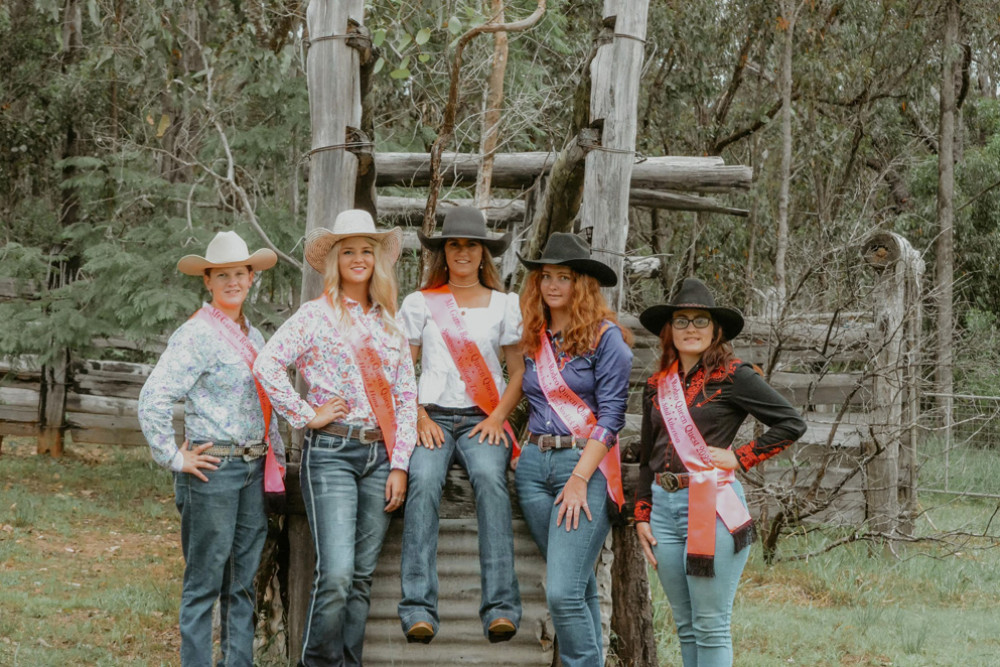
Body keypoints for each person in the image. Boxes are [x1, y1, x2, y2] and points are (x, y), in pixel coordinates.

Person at [253, 209, 416, 667]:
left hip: (380, 458)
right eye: (350, 251)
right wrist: (307, 415)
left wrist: (400, 463)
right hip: (332, 455)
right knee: (338, 574)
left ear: (377, 260)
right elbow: (266, 365)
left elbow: (406, 398)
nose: (359, 258)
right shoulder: (314, 316)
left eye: (368, 250)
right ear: (335, 260)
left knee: (362, 576)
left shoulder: (391, 323)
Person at [634, 277, 807, 667]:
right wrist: (642, 514)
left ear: (715, 330)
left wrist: (741, 457)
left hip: (711, 508)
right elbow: (648, 455)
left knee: (711, 625)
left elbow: (791, 423)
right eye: (681, 320)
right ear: (669, 329)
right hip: (663, 510)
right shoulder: (655, 386)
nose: (690, 328)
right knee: (685, 625)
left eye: (700, 320)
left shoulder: (733, 375)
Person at [138, 230, 284, 667]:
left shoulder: (255, 337)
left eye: (239, 273)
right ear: (208, 280)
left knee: (242, 584)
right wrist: (173, 455)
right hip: (214, 469)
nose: (232, 281)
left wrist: (274, 457)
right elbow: (154, 397)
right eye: (222, 274)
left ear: (251, 276)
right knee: (204, 582)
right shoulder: (196, 334)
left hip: (254, 468)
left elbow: (266, 407)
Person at [396, 206, 524, 644]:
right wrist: (415, 416)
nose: (463, 251)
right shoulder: (419, 303)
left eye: (471, 244)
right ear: (444, 251)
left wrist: (498, 417)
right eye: (455, 244)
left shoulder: (506, 305)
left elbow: (518, 372)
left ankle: (500, 608)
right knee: (424, 480)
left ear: (484, 252)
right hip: (430, 416)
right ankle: (418, 609)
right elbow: (400, 370)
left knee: (491, 479)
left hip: (481, 419)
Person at [514, 232, 633, 667]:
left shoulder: (608, 340)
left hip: (582, 468)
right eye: (546, 276)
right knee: (577, 586)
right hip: (532, 469)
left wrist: (580, 478)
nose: (552, 285)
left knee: (561, 592)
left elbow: (613, 417)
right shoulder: (534, 336)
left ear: (581, 284)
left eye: (563, 277)